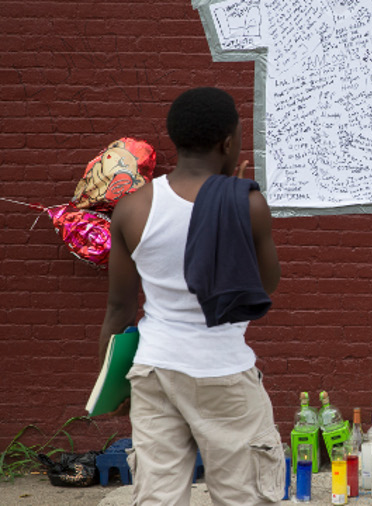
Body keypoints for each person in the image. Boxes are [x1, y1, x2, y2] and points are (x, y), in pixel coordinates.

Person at [97, 87, 284, 505]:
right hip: (223, 371)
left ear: (177, 140)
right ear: (229, 143)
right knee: (244, 495)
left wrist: (112, 384)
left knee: (158, 497)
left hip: (155, 370)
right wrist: (233, 212)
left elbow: (120, 308)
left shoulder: (133, 208)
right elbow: (265, 285)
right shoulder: (249, 204)